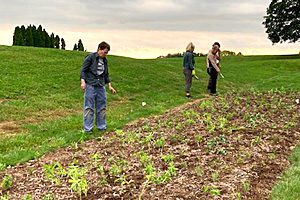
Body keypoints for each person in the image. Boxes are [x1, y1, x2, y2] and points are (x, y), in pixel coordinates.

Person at [80, 41, 117, 133]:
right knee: (89, 107)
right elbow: (83, 70)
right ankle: (88, 129)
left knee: (102, 107)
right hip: (90, 85)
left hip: (101, 86)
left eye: (107, 52)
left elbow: (106, 74)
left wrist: (110, 86)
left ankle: (102, 127)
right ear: (99, 49)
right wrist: (83, 82)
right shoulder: (90, 57)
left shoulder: (105, 60)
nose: (105, 54)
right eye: (104, 52)